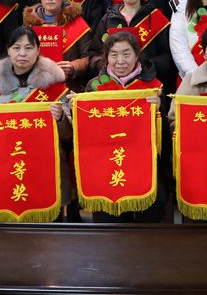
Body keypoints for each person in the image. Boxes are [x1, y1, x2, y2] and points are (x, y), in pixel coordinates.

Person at [0, 26, 71, 214]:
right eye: (16, 48)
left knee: (47, 222)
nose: (22, 53)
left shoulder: (54, 84)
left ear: (38, 51)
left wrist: (61, 117)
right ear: (8, 51)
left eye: (29, 48)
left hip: (44, 165)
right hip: (6, 164)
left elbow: (68, 135)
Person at [64, 31, 164, 223]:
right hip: (106, 166)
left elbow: (165, 138)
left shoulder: (152, 87)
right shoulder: (93, 87)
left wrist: (159, 111)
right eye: (114, 54)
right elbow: (86, 135)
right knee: (109, 228)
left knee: (147, 223)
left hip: (144, 169)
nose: (120, 61)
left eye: (126, 54)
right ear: (106, 57)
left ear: (137, 55)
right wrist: (76, 110)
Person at [89, 0, 174, 91]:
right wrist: (111, 66)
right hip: (112, 86)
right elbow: (93, 54)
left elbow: (167, 57)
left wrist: (142, 67)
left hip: (146, 85)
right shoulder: (108, 19)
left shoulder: (157, 19)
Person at [23, 0, 92, 93]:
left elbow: (89, 57)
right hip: (35, 89)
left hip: (68, 88)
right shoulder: (29, 24)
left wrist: (73, 67)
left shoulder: (76, 22)